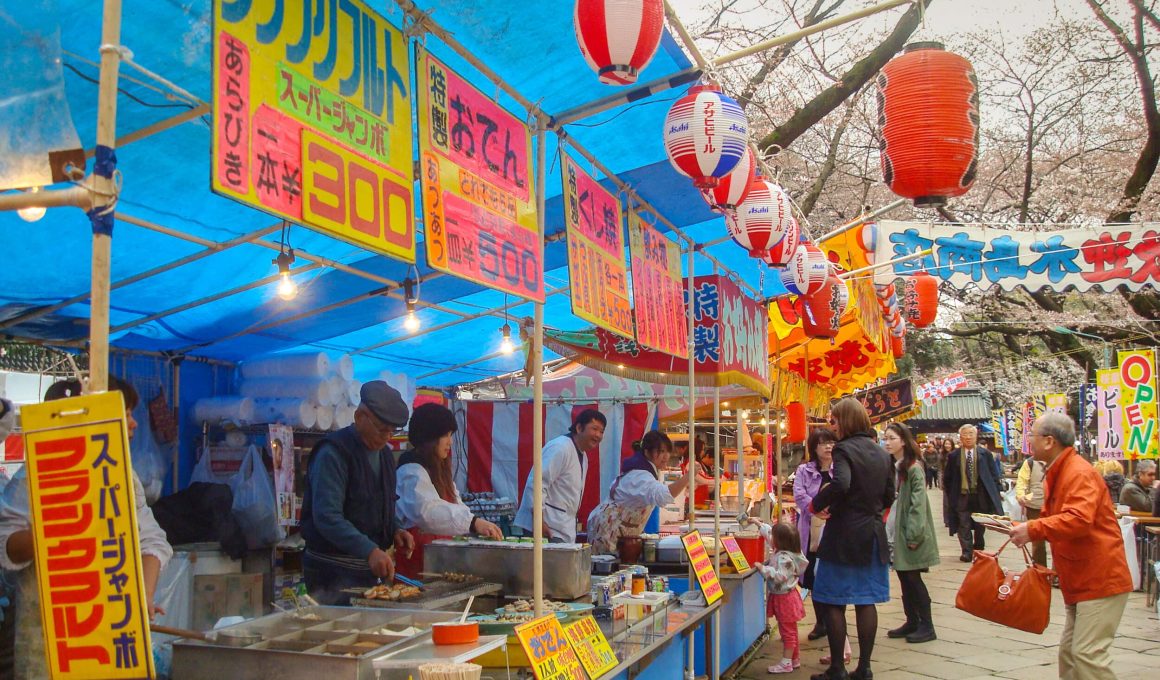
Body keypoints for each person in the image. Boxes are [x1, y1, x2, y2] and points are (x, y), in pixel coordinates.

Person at [0, 377, 173, 680]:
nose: (134, 425)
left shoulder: (124, 476)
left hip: (111, 635)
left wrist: (143, 596)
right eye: (127, 413)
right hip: (51, 638)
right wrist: (62, 529)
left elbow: (153, 541)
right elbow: (6, 544)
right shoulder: (36, 475)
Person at [1010, 413, 1133, 680]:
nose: (1029, 439)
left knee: (1087, 655)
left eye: (1032, 435)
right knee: (1071, 654)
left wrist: (1032, 529)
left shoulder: (1077, 472)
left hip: (1099, 577)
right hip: (1082, 576)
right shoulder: (1060, 468)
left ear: (1049, 441)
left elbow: (1078, 520)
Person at [300, 380, 416, 605]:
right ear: (360, 416)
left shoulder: (383, 454)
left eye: (392, 431)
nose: (387, 437)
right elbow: (327, 517)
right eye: (382, 429)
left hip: (366, 572)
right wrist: (370, 550)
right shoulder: (333, 454)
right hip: (331, 572)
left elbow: (379, 503)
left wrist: (395, 528)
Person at [809, 398, 894, 680]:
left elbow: (841, 483)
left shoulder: (844, 449)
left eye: (834, 421)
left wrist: (817, 503)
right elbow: (889, 495)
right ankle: (865, 667)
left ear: (845, 421)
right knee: (865, 601)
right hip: (872, 533)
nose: (831, 426)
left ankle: (838, 667)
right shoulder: (882, 453)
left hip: (844, 535)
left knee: (832, 600)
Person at [395, 404, 502, 577]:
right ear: (429, 437)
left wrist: (475, 524)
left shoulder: (440, 470)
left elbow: (457, 504)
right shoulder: (411, 472)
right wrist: (473, 523)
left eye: (451, 435)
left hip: (440, 565)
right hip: (417, 568)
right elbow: (427, 513)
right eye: (445, 435)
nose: (450, 442)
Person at [587, 430, 698, 554]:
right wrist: (688, 476)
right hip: (608, 530)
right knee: (606, 566)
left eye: (667, 451)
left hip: (617, 529)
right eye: (660, 451)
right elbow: (664, 496)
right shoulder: (640, 476)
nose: (666, 456)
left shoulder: (644, 471)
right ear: (647, 451)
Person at [881, 423, 939, 644]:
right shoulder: (894, 466)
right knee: (904, 577)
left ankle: (927, 625)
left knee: (913, 578)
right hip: (895, 528)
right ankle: (912, 621)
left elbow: (918, 505)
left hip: (908, 532)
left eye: (891, 438)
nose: (887, 442)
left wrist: (914, 535)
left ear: (903, 441)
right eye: (885, 438)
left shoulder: (914, 468)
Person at [513, 409, 605, 543]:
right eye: (595, 429)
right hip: (546, 529)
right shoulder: (560, 447)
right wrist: (539, 521)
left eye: (601, 431)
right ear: (579, 428)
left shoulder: (583, 455)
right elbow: (537, 483)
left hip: (561, 528)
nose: (598, 435)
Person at [793, 427, 838, 642]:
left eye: (831, 442)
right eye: (823, 443)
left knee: (829, 575)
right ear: (814, 447)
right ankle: (821, 622)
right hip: (809, 530)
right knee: (811, 576)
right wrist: (814, 508)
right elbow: (798, 493)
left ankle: (834, 622)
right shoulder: (804, 470)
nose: (829, 446)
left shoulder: (840, 469)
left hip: (833, 528)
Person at [943, 424, 1003, 562]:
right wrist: (951, 492)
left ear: (976, 436)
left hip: (980, 494)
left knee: (980, 525)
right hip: (961, 495)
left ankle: (978, 548)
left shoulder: (985, 454)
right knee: (963, 523)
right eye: (965, 434)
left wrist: (997, 490)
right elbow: (948, 477)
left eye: (971, 434)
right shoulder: (954, 456)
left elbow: (994, 474)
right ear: (960, 437)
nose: (968, 437)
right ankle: (967, 551)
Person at [757, 521, 809, 674]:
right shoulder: (789, 552)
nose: (770, 537)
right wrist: (759, 524)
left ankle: (786, 663)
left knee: (787, 631)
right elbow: (769, 535)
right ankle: (794, 659)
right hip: (788, 597)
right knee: (791, 629)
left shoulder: (783, 558)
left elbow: (780, 576)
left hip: (784, 599)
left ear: (780, 541)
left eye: (773, 536)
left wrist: (763, 569)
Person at [1014, 454, 1048, 567]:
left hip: (1055, 506)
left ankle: (1057, 574)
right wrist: (1021, 496)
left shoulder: (1059, 460)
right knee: (1037, 542)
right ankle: (1040, 571)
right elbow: (1022, 481)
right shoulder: (1030, 463)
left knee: (1058, 543)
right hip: (1035, 505)